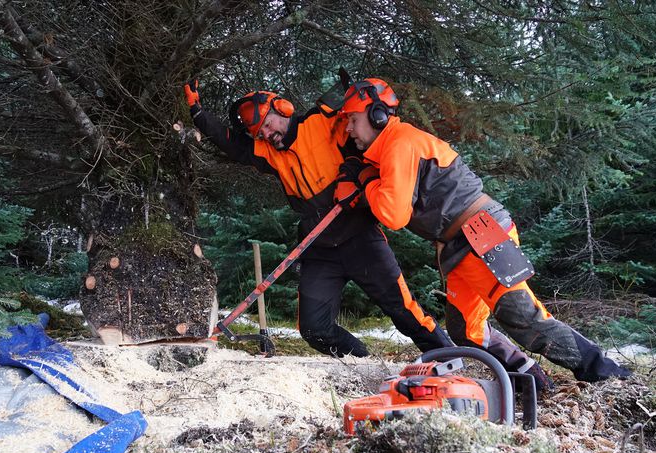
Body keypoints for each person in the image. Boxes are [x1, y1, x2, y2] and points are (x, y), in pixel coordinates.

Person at [336, 77, 631, 389]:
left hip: (481, 233)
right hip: (457, 244)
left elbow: (394, 215)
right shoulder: (392, 148)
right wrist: (369, 174)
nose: (349, 130)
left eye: (353, 121)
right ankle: (528, 378)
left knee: (523, 317)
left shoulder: (400, 143)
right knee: (467, 332)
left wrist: (366, 181)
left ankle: (608, 375)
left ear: (377, 116)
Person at [183, 79, 454, 357]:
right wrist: (199, 115)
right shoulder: (270, 154)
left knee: (402, 309)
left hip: (359, 235)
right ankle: (360, 361)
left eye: (268, 124)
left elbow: (364, 135)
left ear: (283, 109)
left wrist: (355, 175)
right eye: (259, 131)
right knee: (313, 328)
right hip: (319, 245)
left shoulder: (321, 121)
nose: (266, 134)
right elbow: (233, 144)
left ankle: (451, 357)